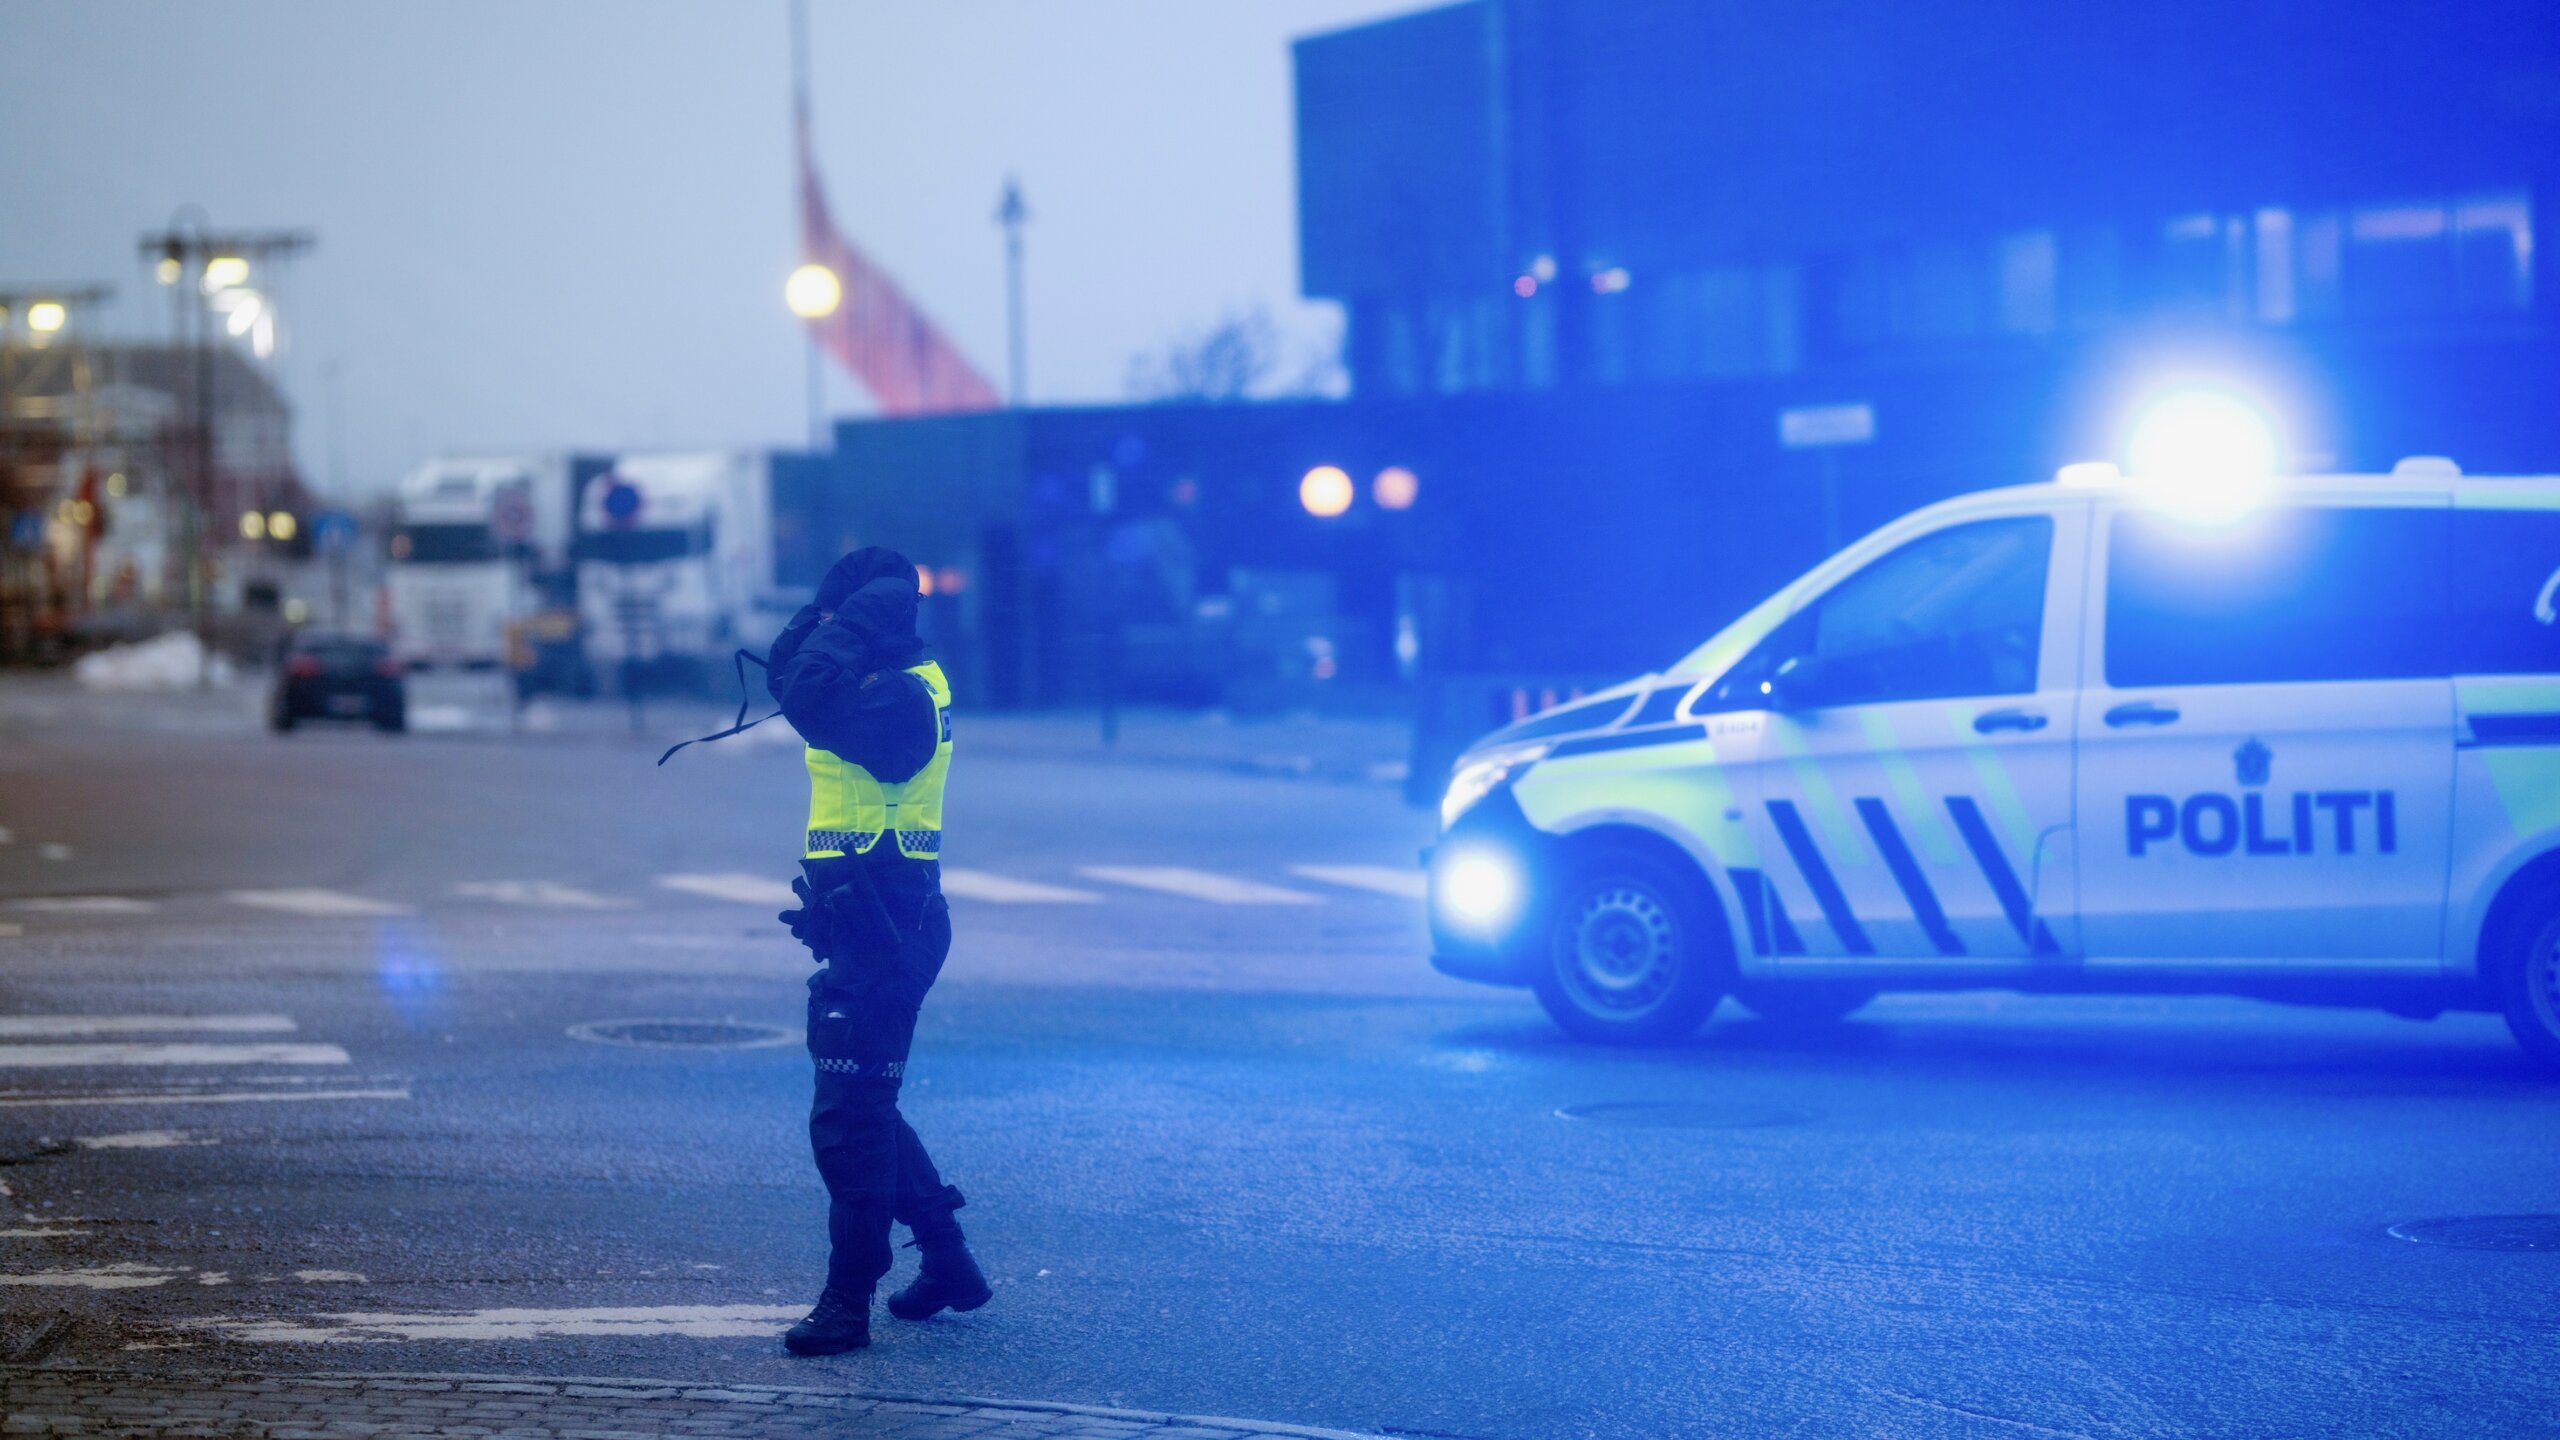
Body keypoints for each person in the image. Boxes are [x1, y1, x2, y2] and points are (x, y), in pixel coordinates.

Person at [763, 546, 991, 1357]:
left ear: (874, 624)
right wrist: (825, 611)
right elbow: (792, 676)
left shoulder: (898, 698)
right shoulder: (877, 682)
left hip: (890, 927)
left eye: (848, 620)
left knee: (847, 1123)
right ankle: (951, 1264)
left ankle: (845, 1305)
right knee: (866, 1107)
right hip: (866, 921)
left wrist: (852, 620)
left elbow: (811, 690)